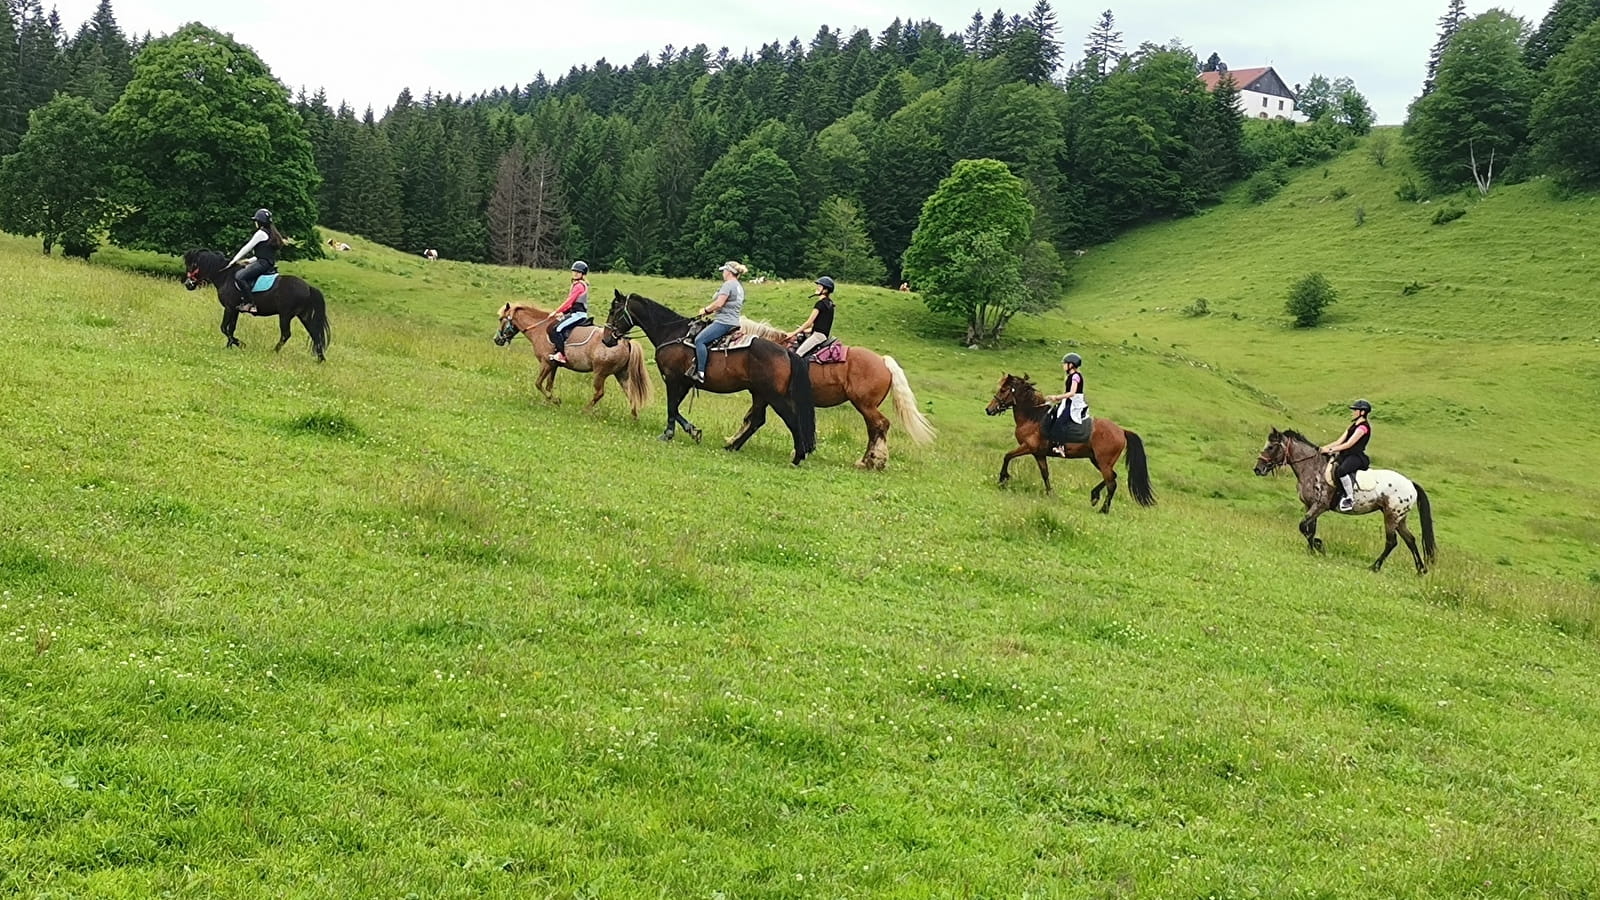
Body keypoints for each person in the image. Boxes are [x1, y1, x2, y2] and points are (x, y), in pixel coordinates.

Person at [690, 261, 747, 382]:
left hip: (724, 322)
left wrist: (705, 310)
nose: (723, 273)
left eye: (724, 271)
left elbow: (719, 303)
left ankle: (700, 372)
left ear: (729, 272)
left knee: (700, 340)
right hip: (734, 321)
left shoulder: (728, 285)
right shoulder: (739, 286)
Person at [227, 208, 284, 314]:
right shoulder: (271, 233)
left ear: (259, 222)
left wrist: (234, 260)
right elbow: (265, 254)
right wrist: (250, 260)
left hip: (262, 264)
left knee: (239, 276)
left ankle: (250, 303)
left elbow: (247, 247)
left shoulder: (261, 233)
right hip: (268, 263)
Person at [1321, 399, 1373, 512]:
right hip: (1347, 455)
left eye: (1355, 410)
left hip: (1357, 457)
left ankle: (1350, 498)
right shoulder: (1353, 426)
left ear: (1362, 412)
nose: (1353, 412)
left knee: (1342, 470)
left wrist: (1331, 450)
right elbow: (1339, 441)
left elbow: (1349, 444)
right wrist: (1323, 448)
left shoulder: (1363, 428)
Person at [1042, 353, 1088, 455]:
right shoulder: (1071, 376)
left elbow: (1072, 393)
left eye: (1065, 363)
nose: (1063, 366)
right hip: (1068, 402)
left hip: (1074, 404)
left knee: (1061, 421)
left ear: (1071, 365)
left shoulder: (1075, 376)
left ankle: (1061, 446)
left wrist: (1057, 397)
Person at [548, 261, 591, 365]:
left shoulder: (579, 286)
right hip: (574, 313)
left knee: (557, 329)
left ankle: (561, 355)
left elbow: (569, 301)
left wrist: (557, 311)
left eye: (578, 272)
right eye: (574, 271)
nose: (575, 273)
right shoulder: (576, 284)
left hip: (578, 315)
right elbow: (572, 304)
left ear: (583, 274)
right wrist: (563, 313)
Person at [788, 276, 836, 357]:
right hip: (822, 335)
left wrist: (793, 333)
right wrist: (805, 331)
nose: (817, 288)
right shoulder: (830, 304)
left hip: (817, 336)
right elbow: (821, 325)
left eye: (820, 286)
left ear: (825, 290)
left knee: (797, 355)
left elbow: (809, 322)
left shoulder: (820, 304)